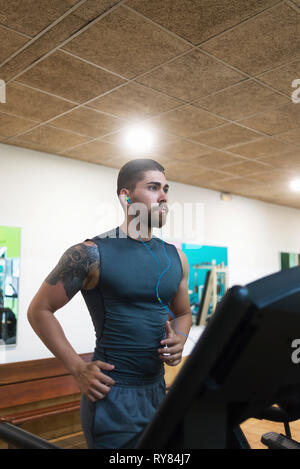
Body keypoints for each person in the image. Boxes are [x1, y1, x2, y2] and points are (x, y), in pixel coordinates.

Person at [27, 158, 192, 449]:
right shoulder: (90, 254)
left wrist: (180, 337)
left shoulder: (175, 257)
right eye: (153, 187)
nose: (164, 196)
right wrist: (78, 367)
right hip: (112, 395)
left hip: (157, 388)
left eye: (166, 188)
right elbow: (39, 310)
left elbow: (183, 312)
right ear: (126, 197)